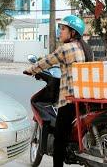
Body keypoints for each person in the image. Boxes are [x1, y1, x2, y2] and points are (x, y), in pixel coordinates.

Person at [24, 15, 93, 167]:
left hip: (69, 100)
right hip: (84, 98)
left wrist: (31, 70)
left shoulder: (66, 49)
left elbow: (47, 61)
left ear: (72, 33)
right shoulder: (86, 48)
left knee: (59, 139)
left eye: (63, 29)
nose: (60, 32)